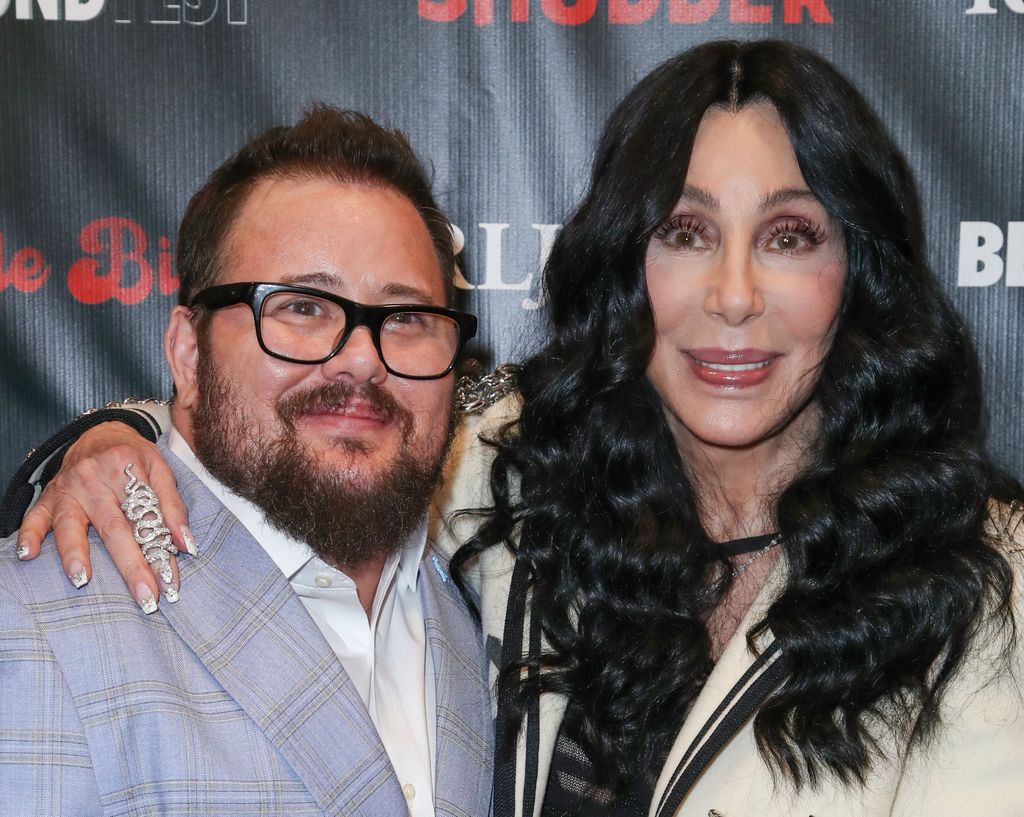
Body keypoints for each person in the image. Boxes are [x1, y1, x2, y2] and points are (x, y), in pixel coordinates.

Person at [7, 40, 1024, 816]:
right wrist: (108, 441)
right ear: (627, 263)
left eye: (790, 236)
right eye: (686, 231)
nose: (732, 294)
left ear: (859, 277)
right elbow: (323, 430)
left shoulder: (987, 591)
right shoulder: (521, 484)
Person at [0, 105, 493, 817]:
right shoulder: (29, 627)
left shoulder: (483, 602)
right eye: (301, 307)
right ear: (188, 354)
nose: (360, 358)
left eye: (408, 316)